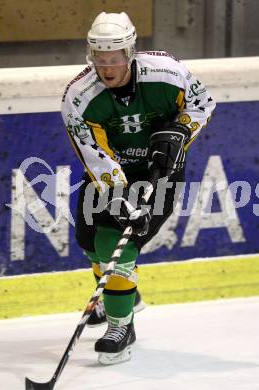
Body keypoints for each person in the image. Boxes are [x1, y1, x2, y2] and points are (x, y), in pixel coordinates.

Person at [61, 11, 216, 365]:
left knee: (115, 242)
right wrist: (117, 193)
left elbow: (203, 103)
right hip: (111, 174)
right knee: (89, 242)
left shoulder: (168, 73)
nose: (107, 68)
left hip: (159, 173)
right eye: (100, 60)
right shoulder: (79, 96)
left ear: (129, 52)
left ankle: (121, 326)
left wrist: (182, 129)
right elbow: (93, 153)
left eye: (114, 59)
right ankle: (125, 291)